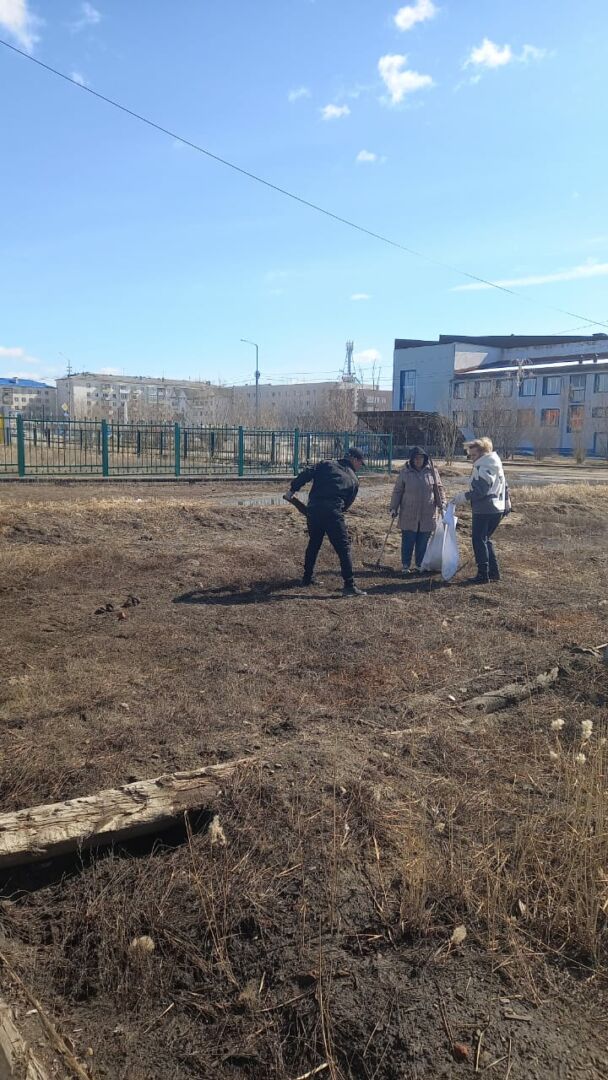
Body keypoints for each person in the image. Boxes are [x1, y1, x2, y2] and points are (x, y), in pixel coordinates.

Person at [285, 447, 367, 597]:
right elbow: (346, 505)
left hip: (313, 509)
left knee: (314, 543)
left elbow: (306, 473)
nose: (360, 466)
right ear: (354, 459)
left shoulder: (326, 464)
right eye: (361, 463)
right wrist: (335, 512)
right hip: (333, 512)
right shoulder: (354, 480)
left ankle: (307, 578)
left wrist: (292, 490)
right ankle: (349, 585)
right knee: (343, 548)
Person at [452, 437, 511, 584]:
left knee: (478, 540)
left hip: (484, 509)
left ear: (483, 453)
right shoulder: (496, 464)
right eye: (470, 455)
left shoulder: (483, 467)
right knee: (485, 539)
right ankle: (493, 572)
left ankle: (483, 574)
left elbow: (481, 491)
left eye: (474, 455)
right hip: (498, 508)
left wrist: (462, 497)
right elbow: (505, 485)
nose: (472, 458)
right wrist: (507, 502)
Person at [389, 446, 445, 574]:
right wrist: (393, 508)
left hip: (427, 513)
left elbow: (439, 489)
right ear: (411, 459)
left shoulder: (432, 472)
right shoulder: (405, 472)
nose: (418, 460)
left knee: (422, 542)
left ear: (425, 459)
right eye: (415, 458)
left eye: (420, 458)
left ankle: (420, 565)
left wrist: (442, 503)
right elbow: (398, 491)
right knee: (408, 541)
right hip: (409, 513)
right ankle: (406, 565)